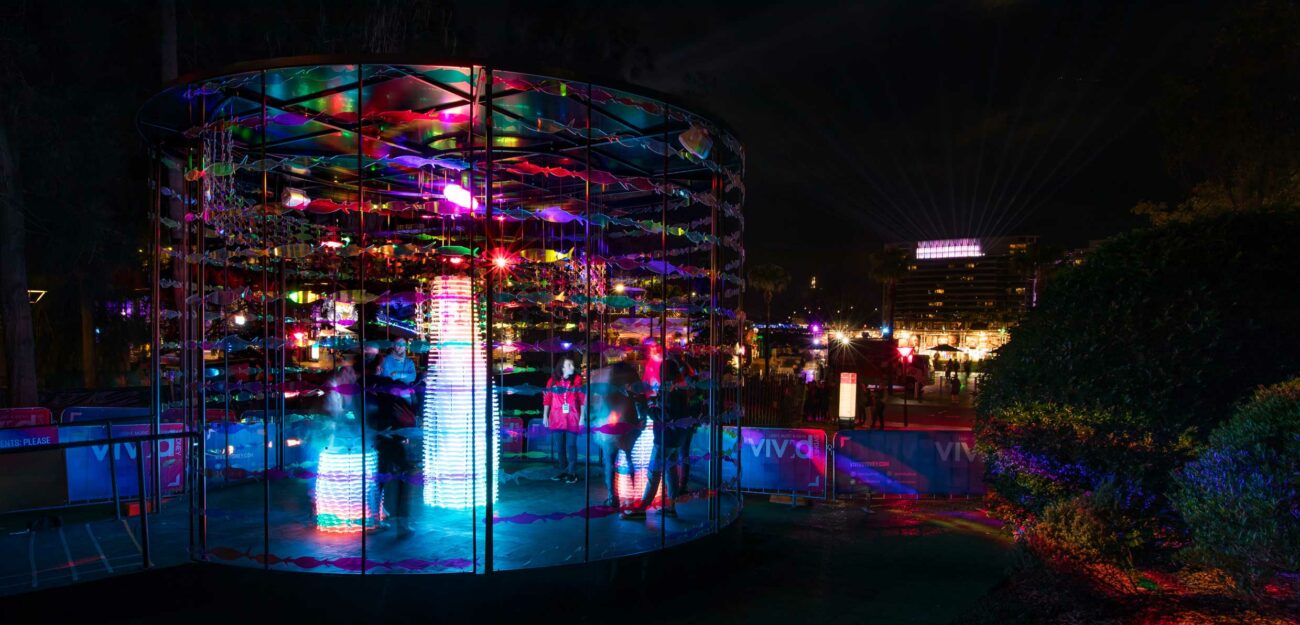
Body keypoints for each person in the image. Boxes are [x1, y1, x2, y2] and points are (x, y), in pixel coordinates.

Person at [622, 356, 690, 520]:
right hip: (676, 438)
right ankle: (670, 506)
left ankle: (641, 509)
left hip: (665, 438)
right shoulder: (679, 388)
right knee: (670, 470)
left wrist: (647, 409)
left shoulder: (672, 392)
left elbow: (663, 415)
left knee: (654, 472)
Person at [542, 356, 586, 483]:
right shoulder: (552, 381)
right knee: (559, 447)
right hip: (556, 418)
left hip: (572, 417)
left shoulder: (577, 380)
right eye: (569, 365)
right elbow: (547, 398)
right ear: (562, 367)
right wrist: (545, 415)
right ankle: (564, 471)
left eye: (572, 365)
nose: (572, 367)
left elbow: (582, 399)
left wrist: (582, 417)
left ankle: (572, 473)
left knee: (571, 446)